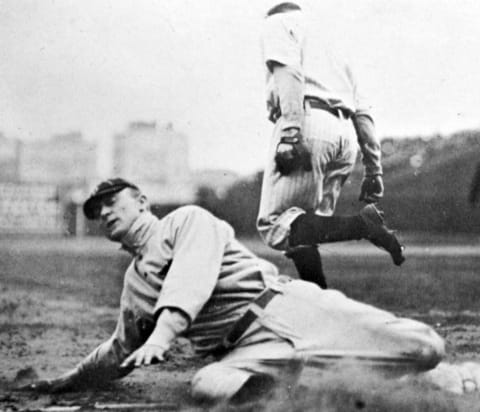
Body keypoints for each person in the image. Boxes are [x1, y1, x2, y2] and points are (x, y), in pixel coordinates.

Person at [20, 178, 480, 403]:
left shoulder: (186, 220)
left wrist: (162, 336)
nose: (106, 214)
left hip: (287, 309)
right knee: (207, 387)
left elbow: (191, 280)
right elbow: (118, 348)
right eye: (99, 214)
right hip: (244, 350)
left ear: (140, 201)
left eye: (113, 203)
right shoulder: (135, 287)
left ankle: (433, 374)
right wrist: (69, 379)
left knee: (426, 347)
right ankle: (306, 392)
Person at [256, 1, 404, 289]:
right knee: (306, 230)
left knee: (276, 224)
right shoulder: (330, 42)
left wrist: (291, 133)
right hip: (344, 135)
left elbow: (289, 75)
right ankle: (322, 300)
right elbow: (363, 110)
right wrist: (374, 170)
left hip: (307, 121)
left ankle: (364, 225)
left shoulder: (277, 23)